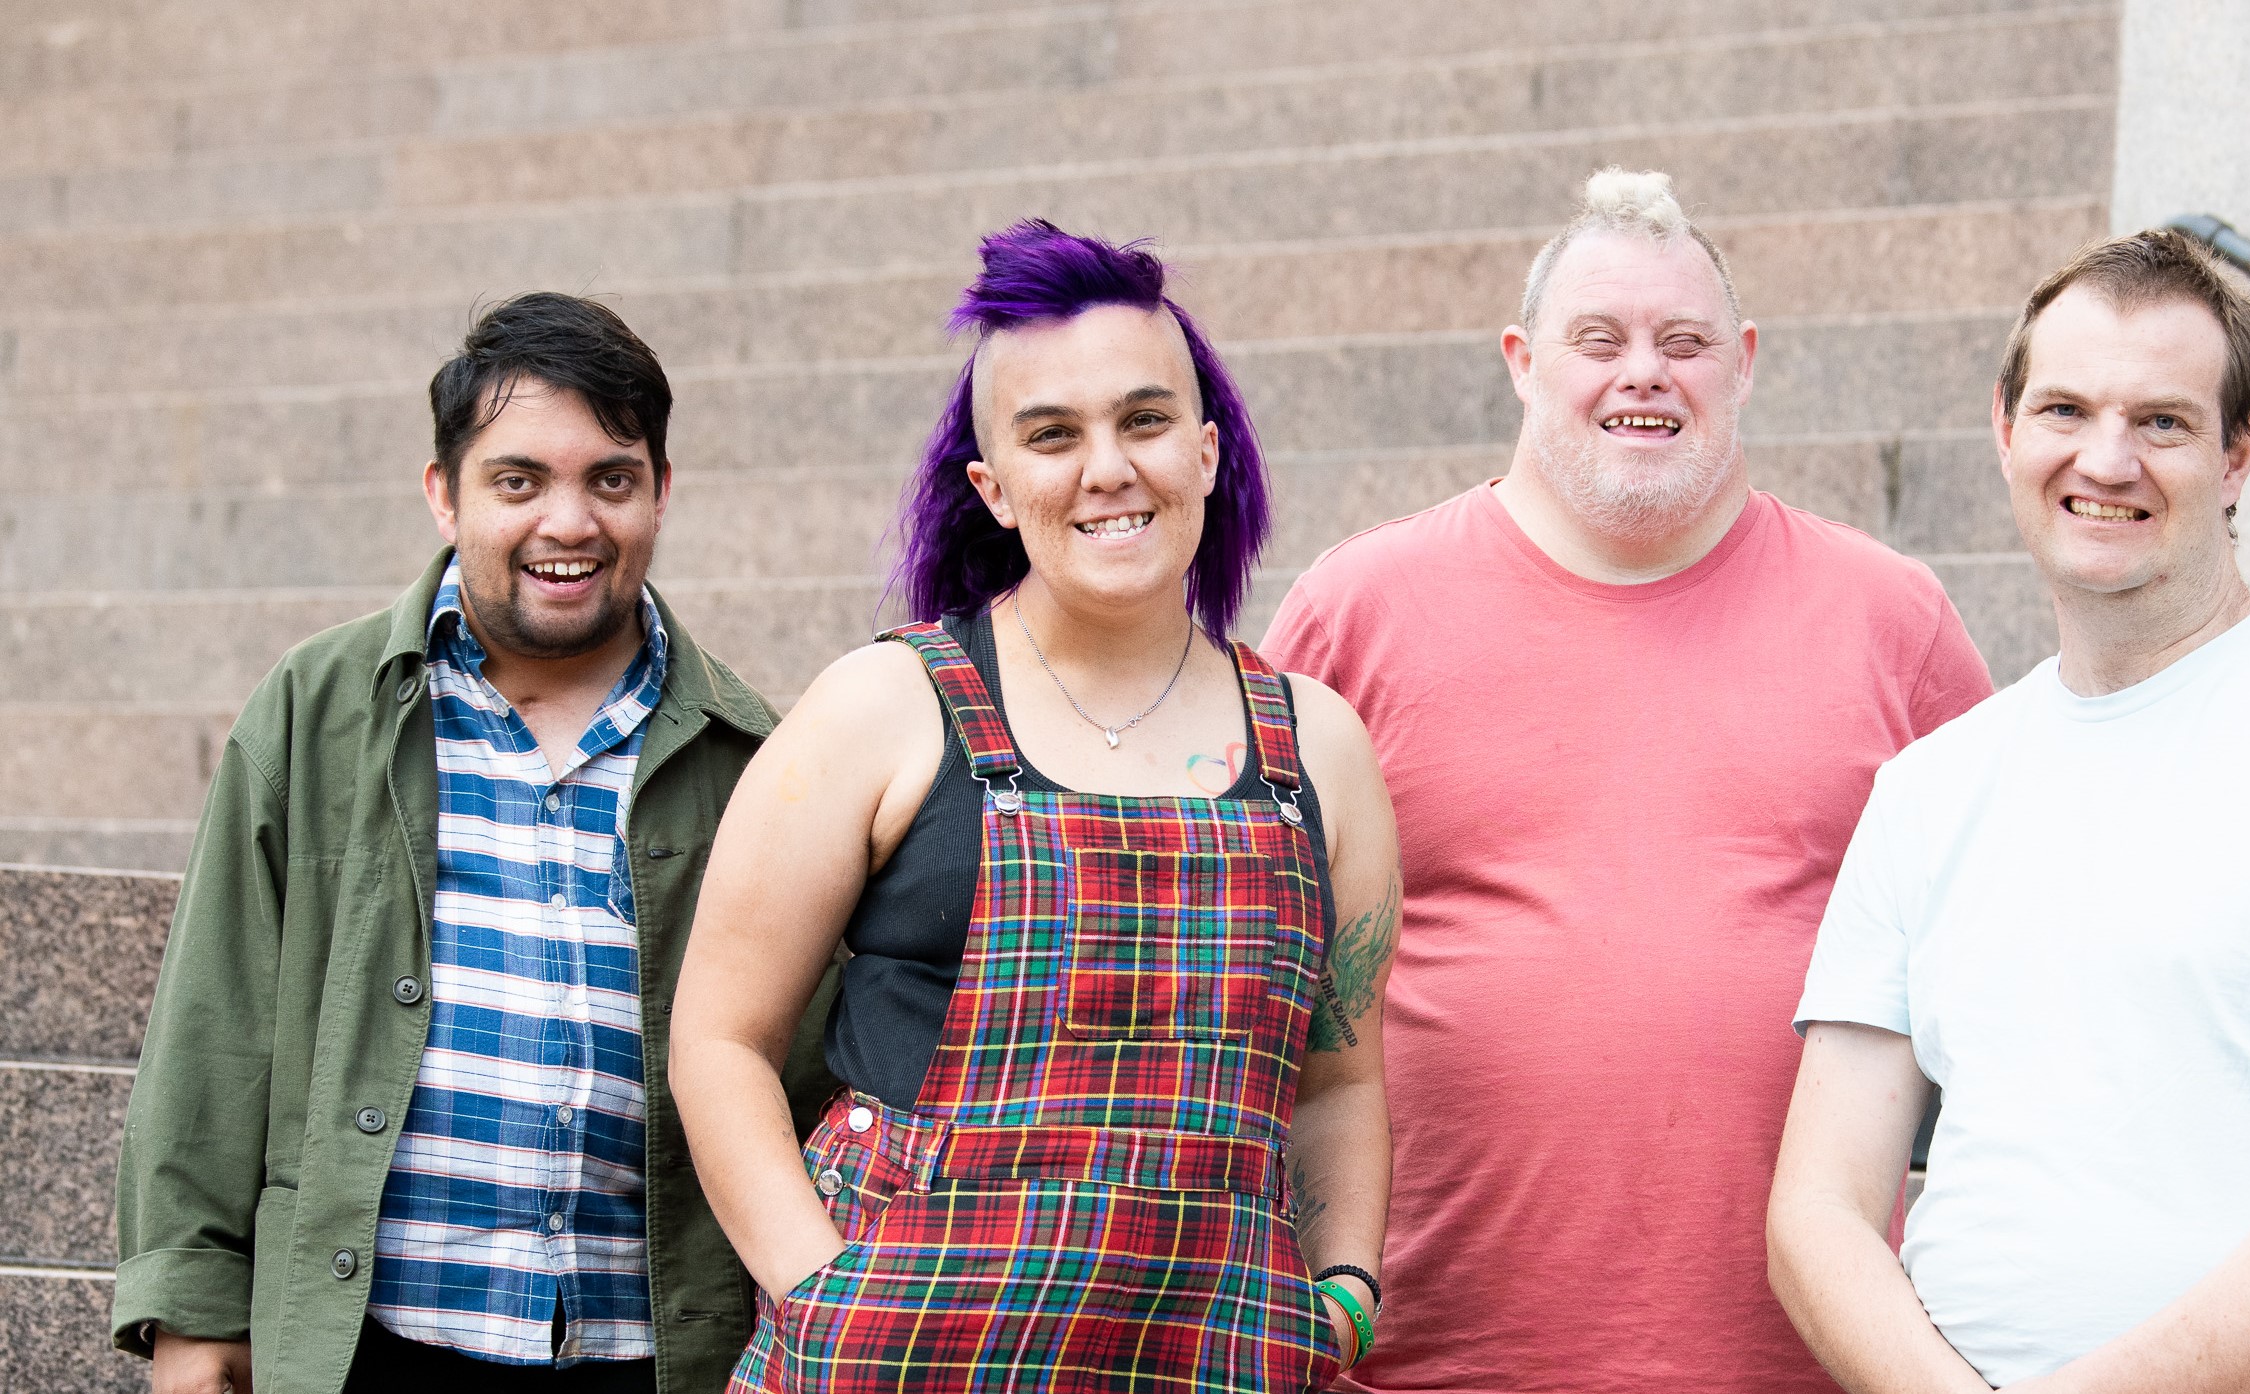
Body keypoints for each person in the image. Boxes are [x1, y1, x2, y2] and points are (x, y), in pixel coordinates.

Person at [1259, 169, 1993, 1392]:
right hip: (1427, 1349)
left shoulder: (1893, 620)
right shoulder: (1357, 611)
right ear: (1521, 360)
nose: (1643, 372)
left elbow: (2013, 963)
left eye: (1685, 342)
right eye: (1597, 339)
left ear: (1743, 362)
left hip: (1802, 1354)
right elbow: (1245, 957)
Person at [1767, 228, 2250, 1394]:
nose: (2104, 459)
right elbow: (1818, 1205)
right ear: (2005, 427)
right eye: (2065, 410)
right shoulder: (1929, 789)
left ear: (2240, 450)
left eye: (2161, 420)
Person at [670, 220, 1398, 1394]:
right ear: (994, 487)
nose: (1107, 468)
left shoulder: (1320, 747)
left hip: (1208, 1359)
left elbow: (1342, 1077)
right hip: (893, 1363)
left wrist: (1345, 1296)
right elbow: (719, 1037)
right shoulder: (885, 706)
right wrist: (823, 1298)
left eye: (1144, 419)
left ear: (1207, 452)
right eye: (1052, 436)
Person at [110, 293, 837, 1393]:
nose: (570, 521)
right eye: (519, 479)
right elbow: (213, 1029)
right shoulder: (317, 711)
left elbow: (806, 1076)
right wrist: (191, 1312)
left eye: (611, 477)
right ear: (444, 494)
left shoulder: (753, 756)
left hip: (644, 1350)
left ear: (660, 494)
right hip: (373, 1342)